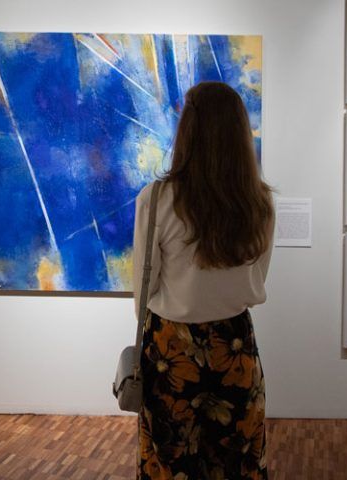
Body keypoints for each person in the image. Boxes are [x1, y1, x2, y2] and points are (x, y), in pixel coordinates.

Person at [132, 81, 274, 480]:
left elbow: (144, 288)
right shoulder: (259, 202)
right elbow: (258, 278)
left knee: (172, 463)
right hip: (235, 344)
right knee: (236, 462)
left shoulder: (156, 199)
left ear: (188, 131)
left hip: (170, 347)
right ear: (239, 133)